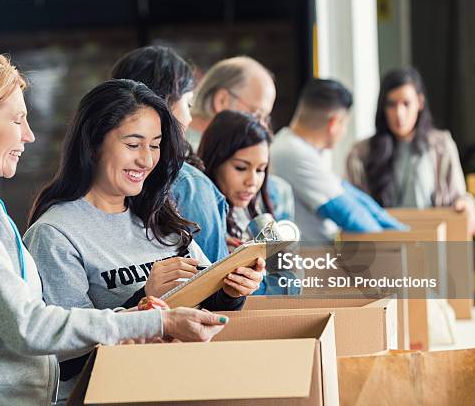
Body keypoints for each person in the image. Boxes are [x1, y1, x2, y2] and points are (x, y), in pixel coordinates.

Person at [0, 50, 228, 406]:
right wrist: (155, 322)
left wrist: (142, 315)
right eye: (17, 120)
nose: (28, 135)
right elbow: (28, 326)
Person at [24, 79, 265, 402]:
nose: (147, 160)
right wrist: (143, 301)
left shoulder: (159, 216)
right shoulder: (55, 234)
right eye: (133, 144)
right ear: (93, 143)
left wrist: (231, 290)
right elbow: (64, 359)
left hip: (180, 389)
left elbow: (206, 309)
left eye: (155, 145)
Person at [110, 45, 228, 262]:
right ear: (165, 103)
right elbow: (217, 280)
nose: (190, 118)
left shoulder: (99, 178)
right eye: (188, 104)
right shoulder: (189, 184)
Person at [346, 67, 475, 236]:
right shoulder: (361, 153)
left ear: (420, 103)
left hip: (432, 240)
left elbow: (458, 196)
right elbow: (351, 205)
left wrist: (467, 203)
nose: (399, 113)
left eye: (406, 104)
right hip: (383, 245)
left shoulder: (441, 145)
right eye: (391, 105)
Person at [271, 78, 406, 241]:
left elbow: (348, 192)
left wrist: (398, 228)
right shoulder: (292, 153)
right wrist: (400, 241)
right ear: (334, 123)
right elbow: (350, 215)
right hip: (311, 261)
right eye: (346, 124)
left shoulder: (296, 147)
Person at [198, 110, 299, 294]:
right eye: (241, 168)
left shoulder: (257, 213)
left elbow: (291, 285)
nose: (252, 181)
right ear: (215, 161)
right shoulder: (201, 217)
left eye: (260, 169)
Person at [188, 56, 295, 222]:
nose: (263, 127)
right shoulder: (184, 155)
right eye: (257, 114)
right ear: (222, 100)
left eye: (260, 169)